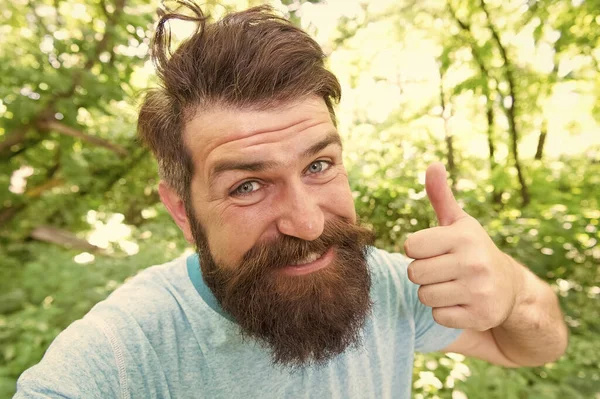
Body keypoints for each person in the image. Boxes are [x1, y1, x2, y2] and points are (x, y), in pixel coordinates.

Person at [14, 3, 568, 398]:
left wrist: (515, 291)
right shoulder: (126, 351)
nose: (306, 222)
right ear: (182, 210)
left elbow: (533, 349)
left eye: (319, 165)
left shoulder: (387, 285)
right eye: (247, 186)